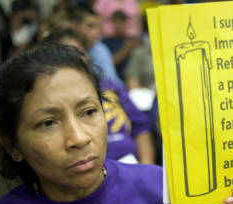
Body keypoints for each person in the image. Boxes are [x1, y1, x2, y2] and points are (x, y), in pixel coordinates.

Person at [0, 45, 233, 204]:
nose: (79, 138)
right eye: (48, 123)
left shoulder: (162, 186)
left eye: (89, 112)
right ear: (13, 146)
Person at [43, 29, 155, 164]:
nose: (77, 58)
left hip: (133, 167)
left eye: (80, 51)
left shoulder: (109, 86)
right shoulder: (51, 99)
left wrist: (145, 168)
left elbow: (141, 129)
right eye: (68, 53)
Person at [102, 10, 140, 81]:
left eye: (123, 22)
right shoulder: (106, 42)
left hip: (134, 78)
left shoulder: (134, 40)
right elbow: (109, 63)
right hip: (116, 79)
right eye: (118, 22)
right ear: (113, 23)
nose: (120, 25)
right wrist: (126, 50)